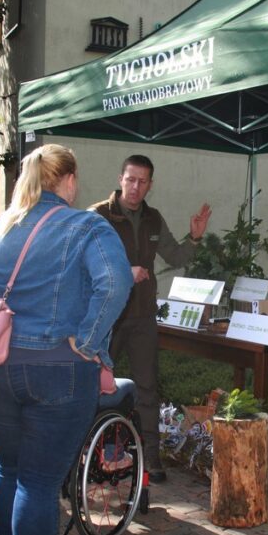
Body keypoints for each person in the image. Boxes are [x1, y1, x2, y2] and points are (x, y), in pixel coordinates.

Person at [0, 144, 131, 535]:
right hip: (59, 369)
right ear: (70, 180)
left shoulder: (0, 229)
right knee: (39, 482)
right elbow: (115, 282)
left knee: (10, 469)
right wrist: (90, 340)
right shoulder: (87, 226)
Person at [90, 155, 211, 482]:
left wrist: (194, 237)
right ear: (120, 179)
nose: (135, 187)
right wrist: (123, 271)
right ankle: (94, 452)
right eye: (130, 179)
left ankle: (150, 459)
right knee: (97, 386)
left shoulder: (153, 218)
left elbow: (176, 256)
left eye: (142, 182)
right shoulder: (98, 216)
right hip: (107, 317)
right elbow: (84, 263)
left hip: (142, 316)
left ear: (150, 185)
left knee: (147, 389)